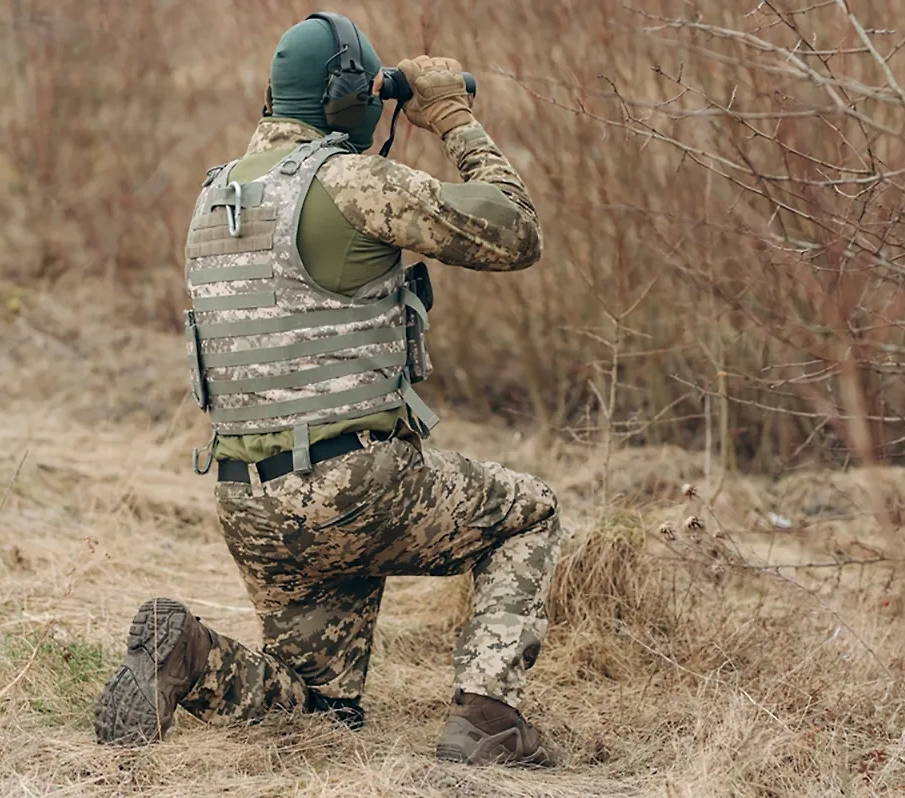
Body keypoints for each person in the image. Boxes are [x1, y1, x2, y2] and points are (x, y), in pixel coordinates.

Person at [93, 11, 562, 767]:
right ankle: (487, 719)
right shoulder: (352, 182)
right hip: (358, 488)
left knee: (317, 712)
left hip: (250, 500)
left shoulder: (214, 199)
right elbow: (515, 232)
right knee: (528, 514)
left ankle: (190, 654)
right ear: (348, 96)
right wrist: (453, 119)